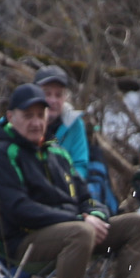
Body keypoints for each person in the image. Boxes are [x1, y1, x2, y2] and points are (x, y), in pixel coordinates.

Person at [0, 83, 140, 278]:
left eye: (39, 115)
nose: (35, 122)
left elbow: (88, 197)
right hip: (22, 242)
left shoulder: (57, 152)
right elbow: (19, 209)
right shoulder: (1, 155)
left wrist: (94, 213)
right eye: (27, 116)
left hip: (74, 232)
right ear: (10, 116)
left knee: (138, 224)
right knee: (81, 232)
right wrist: (78, 220)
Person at [31, 64, 119, 214]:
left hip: (66, 194)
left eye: (58, 95)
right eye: (47, 94)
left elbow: (80, 166)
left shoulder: (74, 124)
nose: (53, 100)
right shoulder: (19, 120)